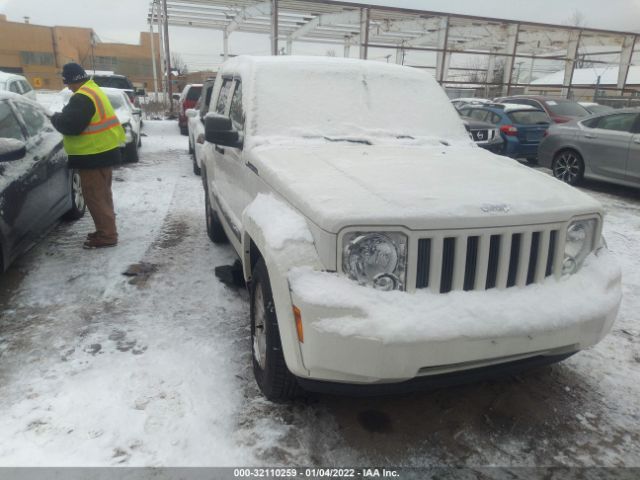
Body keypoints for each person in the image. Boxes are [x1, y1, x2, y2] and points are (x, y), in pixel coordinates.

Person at [50, 62, 125, 249]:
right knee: (102, 196)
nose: (67, 86)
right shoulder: (93, 90)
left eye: (67, 82)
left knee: (96, 197)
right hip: (102, 152)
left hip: (93, 155)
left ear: (72, 80)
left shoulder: (82, 98)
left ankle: (107, 235)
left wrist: (54, 118)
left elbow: (70, 126)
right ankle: (105, 230)